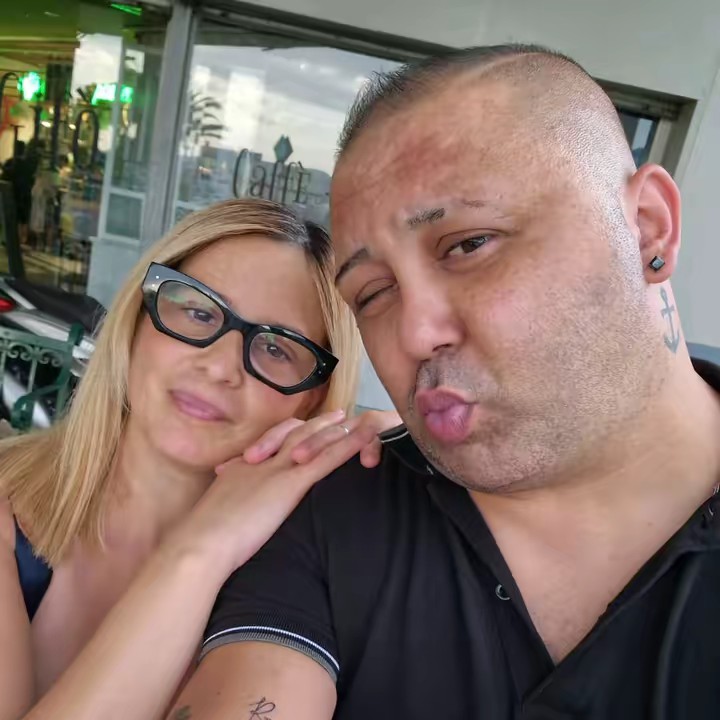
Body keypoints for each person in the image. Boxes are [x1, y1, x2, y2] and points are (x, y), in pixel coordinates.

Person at [172, 45, 720, 719]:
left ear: (647, 228)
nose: (413, 334)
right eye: (373, 293)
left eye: (469, 245)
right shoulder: (333, 518)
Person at [0, 197, 399, 719]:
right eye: (198, 312)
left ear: (311, 399)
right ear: (137, 320)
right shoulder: (8, 507)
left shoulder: (304, 579)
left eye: (276, 347)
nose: (220, 367)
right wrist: (201, 550)